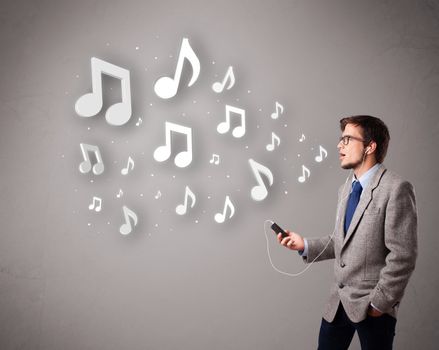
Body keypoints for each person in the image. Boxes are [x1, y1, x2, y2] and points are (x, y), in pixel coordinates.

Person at [278, 115, 417, 350]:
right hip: (337, 304)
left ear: (369, 147)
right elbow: (343, 241)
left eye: (347, 139)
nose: (339, 145)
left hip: (373, 306)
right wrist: (304, 245)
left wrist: (379, 303)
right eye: (341, 139)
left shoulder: (396, 189)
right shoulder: (346, 188)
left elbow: (403, 256)